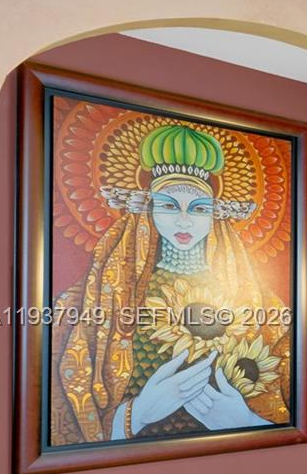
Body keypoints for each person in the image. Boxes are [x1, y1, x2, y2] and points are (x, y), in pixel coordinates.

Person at [50, 121, 290, 445]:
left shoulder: (263, 307)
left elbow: (290, 399)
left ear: (215, 213)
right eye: (167, 205)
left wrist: (242, 420)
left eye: (200, 208)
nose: (184, 220)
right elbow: (60, 416)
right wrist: (138, 413)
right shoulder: (88, 303)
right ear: (146, 207)